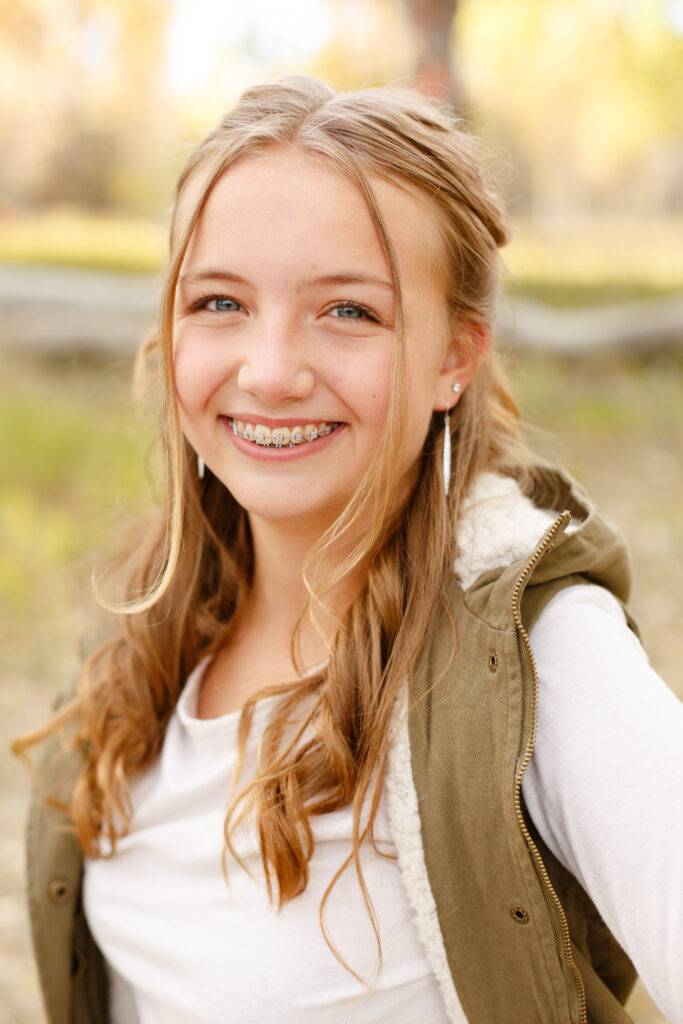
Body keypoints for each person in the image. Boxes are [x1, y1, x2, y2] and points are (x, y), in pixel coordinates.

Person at [18, 76, 683, 1024]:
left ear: (453, 358)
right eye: (218, 303)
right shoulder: (150, 637)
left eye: (348, 312)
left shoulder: (533, 660)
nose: (271, 371)